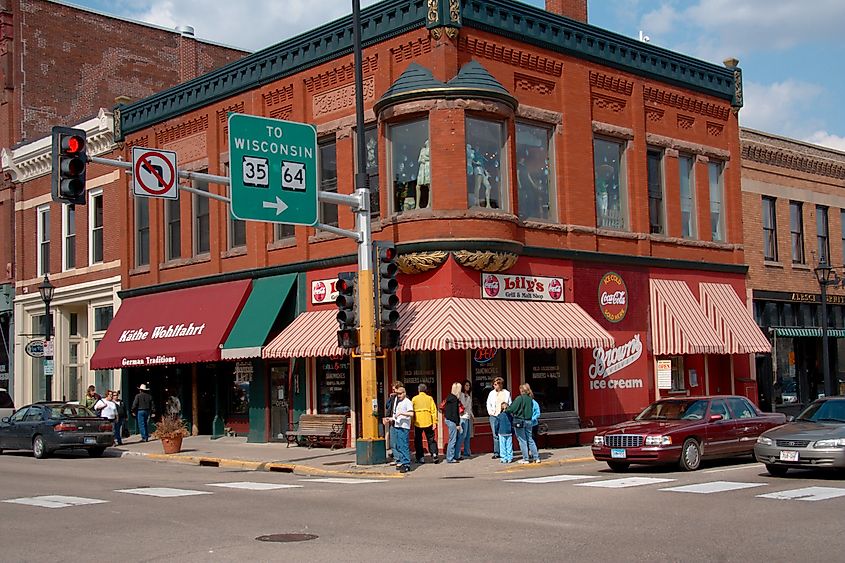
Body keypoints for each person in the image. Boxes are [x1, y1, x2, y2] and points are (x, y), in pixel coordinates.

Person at [508, 383, 536, 464]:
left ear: (522, 390)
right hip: (529, 421)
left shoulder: (519, 398)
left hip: (520, 421)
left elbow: (512, 409)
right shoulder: (530, 399)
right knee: (530, 439)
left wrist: (506, 408)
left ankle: (526, 458)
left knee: (522, 441)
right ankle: (536, 457)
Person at [411, 383, 439, 464]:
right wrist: (434, 422)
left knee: (418, 440)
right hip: (428, 421)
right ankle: (434, 454)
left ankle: (420, 457)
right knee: (431, 439)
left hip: (418, 422)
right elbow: (434, 411)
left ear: (418, 390)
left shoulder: (414, 399)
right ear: (426, 390)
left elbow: (411, 411)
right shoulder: (429, 398)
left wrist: (412, 421)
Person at [486, 377, 511, 459]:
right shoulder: (491, 393)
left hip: (503, 416)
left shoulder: (506, 393)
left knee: (503, 434)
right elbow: (488, 403)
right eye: (494, 384)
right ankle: (497, 452)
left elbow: (510, 403)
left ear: (501, 384)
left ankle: (504, 452)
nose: (495, 386)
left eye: (497, 384)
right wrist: (490, 412)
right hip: (494, 415)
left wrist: (506, 410)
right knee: (495, 435)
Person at [391, 387, 413, 473]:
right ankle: (402, 462)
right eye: (397, 394)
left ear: (404, 393)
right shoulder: (399, 402)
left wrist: (401, 413)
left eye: (400, 394)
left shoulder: (407, 402)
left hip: (404, 427)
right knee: (399, 445)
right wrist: (390, 419)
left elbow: (411, 413)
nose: (399, 395)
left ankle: (406, 464)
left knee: (404, 445)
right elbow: (396, 415)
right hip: (397, 425)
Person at [382, 381, 404, 464]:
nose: (393, 391)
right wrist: (387, 417)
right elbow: (388, 407)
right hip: (393, 422)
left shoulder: (404, 398)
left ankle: (402, 459)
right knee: (393, 442)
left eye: (394, 389)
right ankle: (397, 458)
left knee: (400, 442)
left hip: (401, 423)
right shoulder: (392, 398)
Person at [442, 382, 462, 463]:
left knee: (452, 439)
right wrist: (457, 424)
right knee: (453, 439)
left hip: (448, 419)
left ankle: (452, 456)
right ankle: (450, 458)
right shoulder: (454, 399)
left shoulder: (449, 397)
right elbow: (455, 413)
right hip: (452, 421)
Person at [458, 380, 473, 459]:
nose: (468, 387)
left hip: (468, 416)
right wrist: (467, 398)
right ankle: (458, 452)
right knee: (462, 435)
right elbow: (463, 405)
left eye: (469, 385)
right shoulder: (462, 395)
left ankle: (467, 451)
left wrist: (472, 415)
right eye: (466, 385)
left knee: (468, 435)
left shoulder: (468, 395)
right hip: (462, 417)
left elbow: (469, 407)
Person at [415, 140, 430, 209]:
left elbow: (431, 159)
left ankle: (429, 204)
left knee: (429, 185)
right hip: (422, 168)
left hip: (428, 167)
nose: (427, 143)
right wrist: (422, 160)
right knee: (418, 186)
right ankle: (417, 205)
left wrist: (425, 159)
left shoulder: (430, 149)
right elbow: (419, 159)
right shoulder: (423, 150)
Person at [528, 384, 541, 463]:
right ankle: (528, 453)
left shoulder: (534, 403)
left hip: (533, 424)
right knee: (528, 440)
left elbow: (538, 413)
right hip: (527, 423)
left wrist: (532, 419)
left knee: (533, 439)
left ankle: (535, 453)